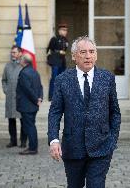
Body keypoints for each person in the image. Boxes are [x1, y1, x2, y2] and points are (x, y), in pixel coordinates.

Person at [48, 36, 121, 188]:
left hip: (101, 147)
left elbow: (115, 112)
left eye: (91, 51)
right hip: (73, 146)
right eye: (83, 52)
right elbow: (55, 112)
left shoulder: (107, 78)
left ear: (96, 55)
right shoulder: (62, 80)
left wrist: (112, 139)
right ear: (74, 56)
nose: (88, 56)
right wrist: (54, 139)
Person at [16, 54, 43, 155]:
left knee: (30, 127)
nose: (19, 61)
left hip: (27, 105)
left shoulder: (24, 73)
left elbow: (28, 89)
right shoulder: (35, 72)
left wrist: (36, 99)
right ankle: (33, 147)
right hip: (33, 105)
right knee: (31, 126)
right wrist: (39, 98)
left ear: (25, 62)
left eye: (21, 59)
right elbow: (40, 87)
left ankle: (32, 148)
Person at [2, 46, 27, 148]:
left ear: (20, 53)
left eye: (14, 52)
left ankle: (23, 141)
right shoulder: (7, 66)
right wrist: (6, 90)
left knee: (23, 120)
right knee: (11, 120)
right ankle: (13, 141)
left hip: (21, 98)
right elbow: (4, 80)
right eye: (12, 52)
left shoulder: (23, 65)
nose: (12, 54)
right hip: (10, 98)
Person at [47, 23, 69, 101]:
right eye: (63, 30)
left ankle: (59, 96)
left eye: (66, 30)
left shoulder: (65, 40)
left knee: (62, 79)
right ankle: (51, 96)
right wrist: (58, 52)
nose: (65, 32)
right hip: (55, 62)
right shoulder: (54, 39)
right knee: (54, 78)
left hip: (62, 62)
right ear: (59, 31)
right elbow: (49, 50)